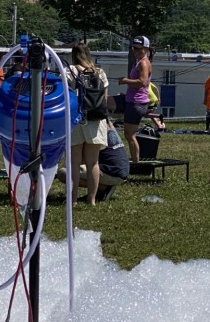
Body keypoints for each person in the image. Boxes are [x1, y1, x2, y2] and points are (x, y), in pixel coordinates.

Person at [66, 43, 108, 205]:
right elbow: (104, 100)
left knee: (74, 162)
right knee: (93, 162)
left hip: (76, 119)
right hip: (96, 120)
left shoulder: (70, 70)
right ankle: (92, 199)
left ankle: (73, 199)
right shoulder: (100, 72)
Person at [57, 118, 129, 203]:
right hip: (122, 172)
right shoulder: (107, 124)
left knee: (64, 172)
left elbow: (81, 160)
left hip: (109, 172)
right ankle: (91, 200)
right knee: (92, 162)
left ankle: (101, 188)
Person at [118, 36, 152, 163]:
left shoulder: (143, 62)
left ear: (146, 49)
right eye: (134, 48)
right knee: (106, 103)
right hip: (130, 99)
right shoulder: (138, 61)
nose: (136, 51)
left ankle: (136, 163)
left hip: (137, 102)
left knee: (129, 135)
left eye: (139, 49)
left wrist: (125, 80)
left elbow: (142, 82)